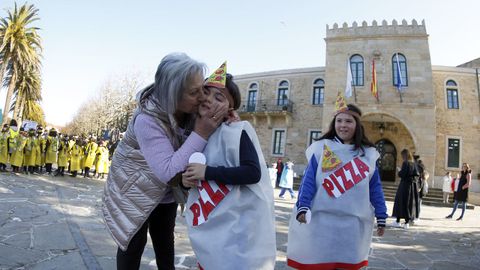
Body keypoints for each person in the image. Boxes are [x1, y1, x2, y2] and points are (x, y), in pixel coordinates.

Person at [102, 52, 227, 270]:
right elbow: (168, 171)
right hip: (133, 190)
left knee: (165, 243)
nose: (202, 97)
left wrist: (228, 118)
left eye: (202, 89)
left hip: (164, 194)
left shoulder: (188, 107)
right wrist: (201, 132)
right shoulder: (146, 120)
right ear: (172, 93)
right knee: (132, 245)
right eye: (194, 92)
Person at [182, 66, 276, 269]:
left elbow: (252, 172)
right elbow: (185, 172)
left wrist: (207, 172)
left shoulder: (237, 131)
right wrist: (186, 179)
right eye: (206, 92)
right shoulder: (192, 133)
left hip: (236, 228)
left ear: (230, 109)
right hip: (211, 225)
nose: (209, 100)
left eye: (219, 98)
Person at [287, 93, 387, 270]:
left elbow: (375, 187)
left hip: (353, 224)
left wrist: (381, 214)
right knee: (320, 264)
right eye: (339, 120)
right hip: (321, 220)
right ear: (334, 124)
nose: (343, 125)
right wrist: (303, 205)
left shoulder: (367, 154)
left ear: (357, 125)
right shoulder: (321, 148)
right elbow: (309, 180)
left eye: (348, 121)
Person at [391, 149, 419, 229]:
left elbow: (402, 174)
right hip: (412, 186)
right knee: (408, 203)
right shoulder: (414, 164)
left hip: (404, 185)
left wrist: (399, 171)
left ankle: (401, 221)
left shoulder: (406, 163)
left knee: (401, 202)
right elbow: (416, 175)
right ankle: (403, 221)